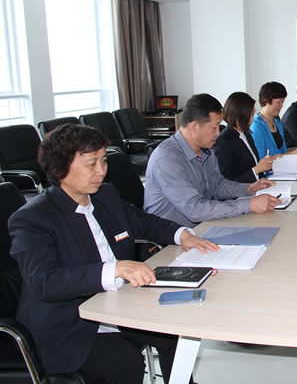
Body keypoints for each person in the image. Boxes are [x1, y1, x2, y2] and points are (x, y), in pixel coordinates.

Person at [8, 124, 219, 383]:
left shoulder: (104, 195)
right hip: (68, 325)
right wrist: (115, 269)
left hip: (116, 304)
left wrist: (182, 234)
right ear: (59, 168)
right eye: (91, 163)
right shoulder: (32, 219)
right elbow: (45, 282)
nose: (101, 171)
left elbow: (143, 222)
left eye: (104, 161)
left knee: (172, 331)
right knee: (126, 361)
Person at [145, 93, 279, 228]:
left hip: (203, 226)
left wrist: (249, 188)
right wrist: (250, 205)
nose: (218, 133)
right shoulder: (167, 159)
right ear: (194, 126)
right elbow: (195, 209)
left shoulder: (205, 151)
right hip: (173, 234)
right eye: (214, 127)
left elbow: (218, 186)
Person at [214, 91, 279, 183]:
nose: (252, 119)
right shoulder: (223, 142)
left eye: (252, 114)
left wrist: (265, 166)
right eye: (249, 115)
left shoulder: (246, 134)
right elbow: (227, 183)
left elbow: (253, 166)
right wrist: (257, 169)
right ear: (237, 114)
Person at [250, 81, 297, 157]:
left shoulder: (278, 124)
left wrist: (295, 149)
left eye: (283, 102)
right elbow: (261, 158)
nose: (281, 106)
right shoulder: (256, 126)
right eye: (279, 102)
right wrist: (289, 154)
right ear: (266, 100)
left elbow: (280, 152)